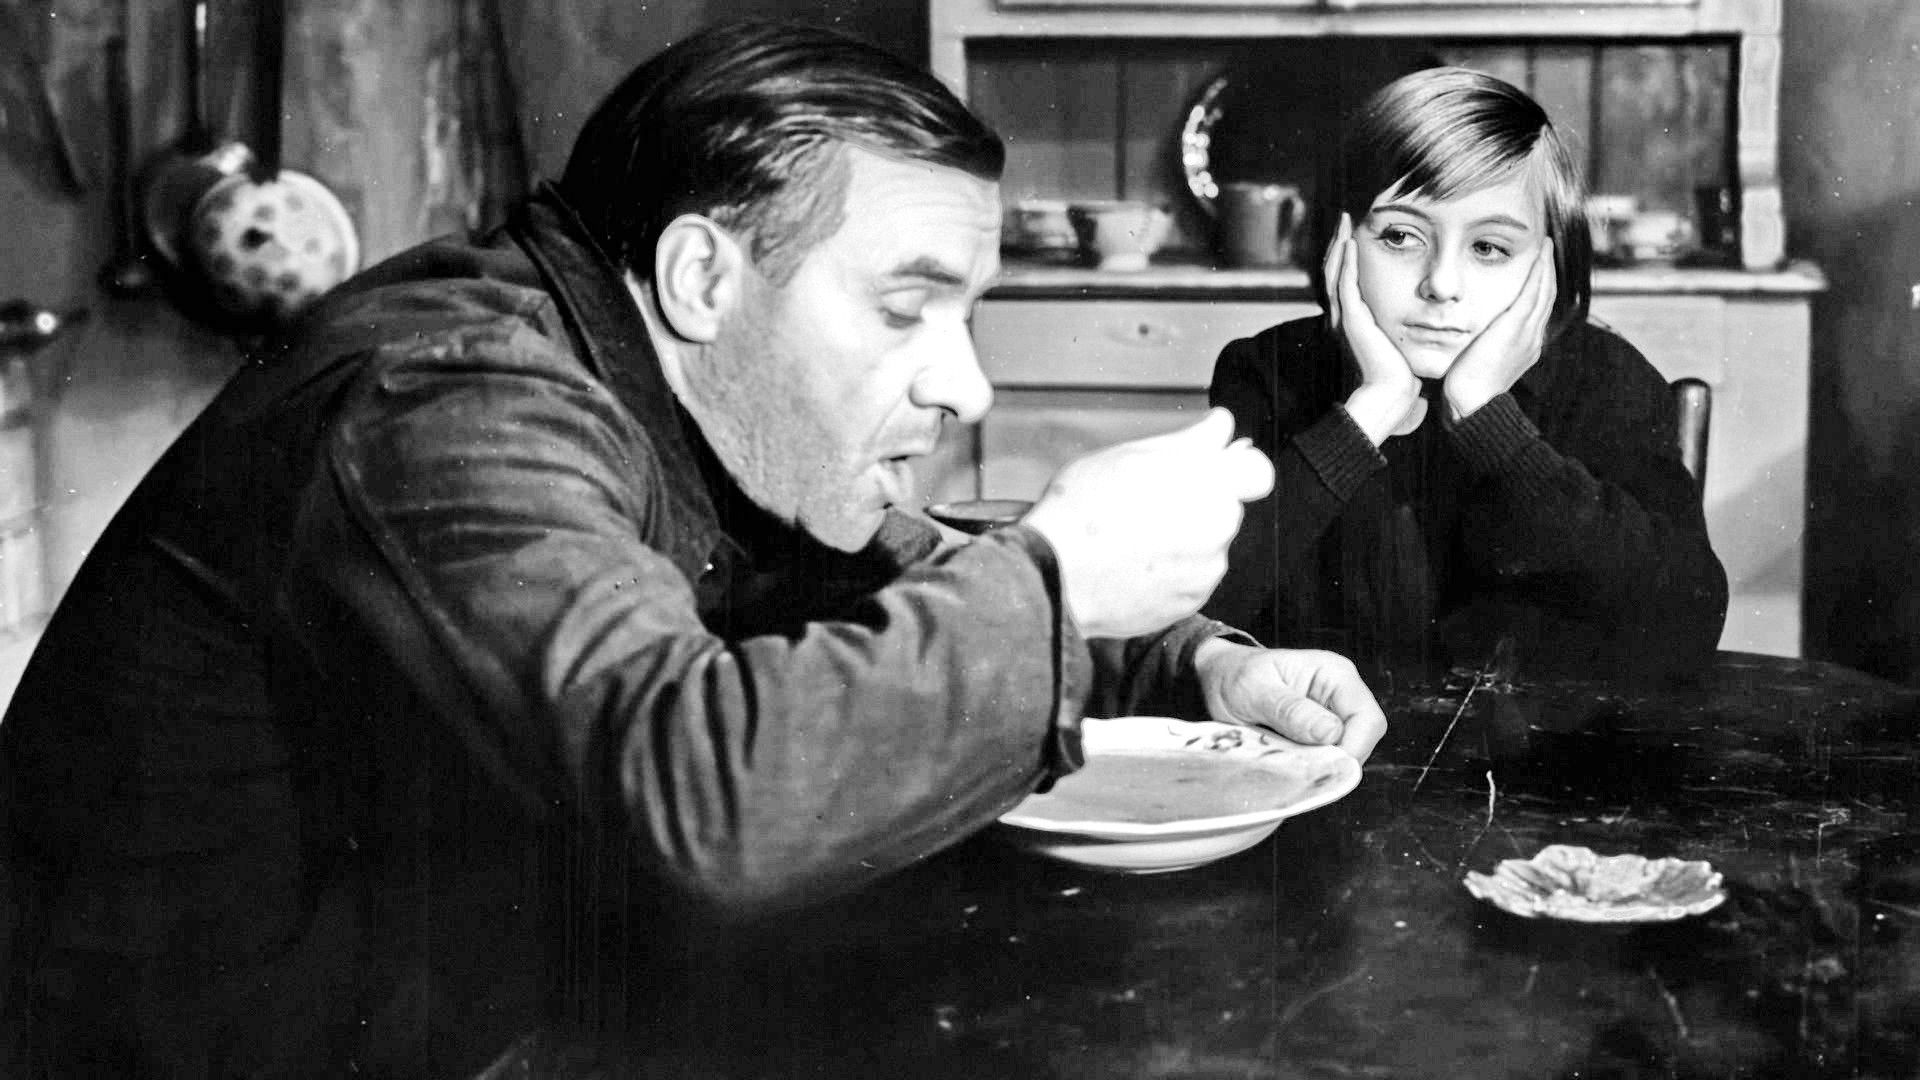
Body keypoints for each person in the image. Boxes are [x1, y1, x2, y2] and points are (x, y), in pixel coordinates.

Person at [0, 19, 1386, 1078]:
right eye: (905, 308)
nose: (967, 386)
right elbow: (707, 798)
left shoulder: (638, 371)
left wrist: (1199, 670)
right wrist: (1062, 581)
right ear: (701, 276)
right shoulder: (452, 394)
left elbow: (886, 563)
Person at [1204, 66, 1728, 684]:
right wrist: (1370, 411)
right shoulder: (1266, 370)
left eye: (1489, 248)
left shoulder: (1604, 379)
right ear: (1338, 242)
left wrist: (1492, 424)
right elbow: (1200, 609)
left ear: (1548, 264)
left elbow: (1687, 628)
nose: (1441, 284)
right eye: (1400, 236)